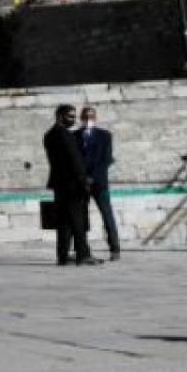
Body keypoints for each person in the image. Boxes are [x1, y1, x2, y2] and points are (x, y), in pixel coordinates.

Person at [42, 104, 101, 266]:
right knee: (78, 220)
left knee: (64, 221)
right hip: (72, 184)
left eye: (74, 116)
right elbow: (74, 161)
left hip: (59, 183)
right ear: (59, 116)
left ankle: (63, 255)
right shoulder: (65, 135)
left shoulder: (49, 135)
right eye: (70, 116)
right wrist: (84, 181)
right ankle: (83, 254)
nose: (73, 120)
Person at [74, 106, 120, 261]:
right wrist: (83, 177)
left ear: (96, 118)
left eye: (91, 117)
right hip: (81, 183)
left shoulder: (105, 135)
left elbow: (106, 159)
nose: (89, 120)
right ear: (81, 118)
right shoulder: (74, 136)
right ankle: (81, 249)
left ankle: (115, 248)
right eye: (86, 117)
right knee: (80, 217)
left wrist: (92, 177)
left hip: (99, 183)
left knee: (107, 215)